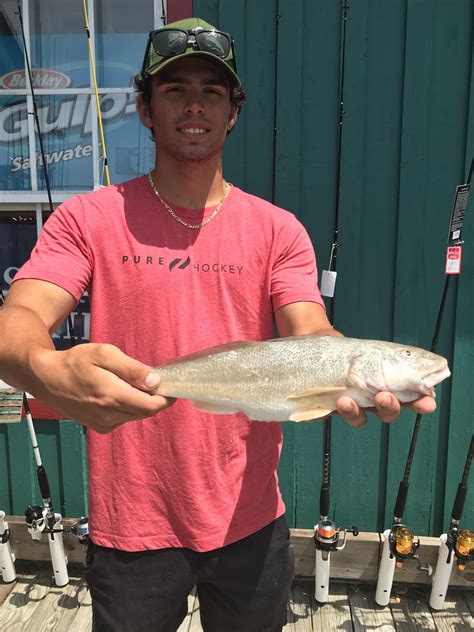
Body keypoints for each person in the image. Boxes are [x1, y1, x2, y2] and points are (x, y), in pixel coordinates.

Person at [0, 17, 436, 632]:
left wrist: (354, 370)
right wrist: (44, 368)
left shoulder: (277, 230)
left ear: (234, 112)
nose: (194, 105)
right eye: (175, 89)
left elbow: (310, 329)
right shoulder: (88, 218)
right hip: (132, 522)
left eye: (213, 91)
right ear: (144, 108)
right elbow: (15, 322)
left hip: (249, 521)